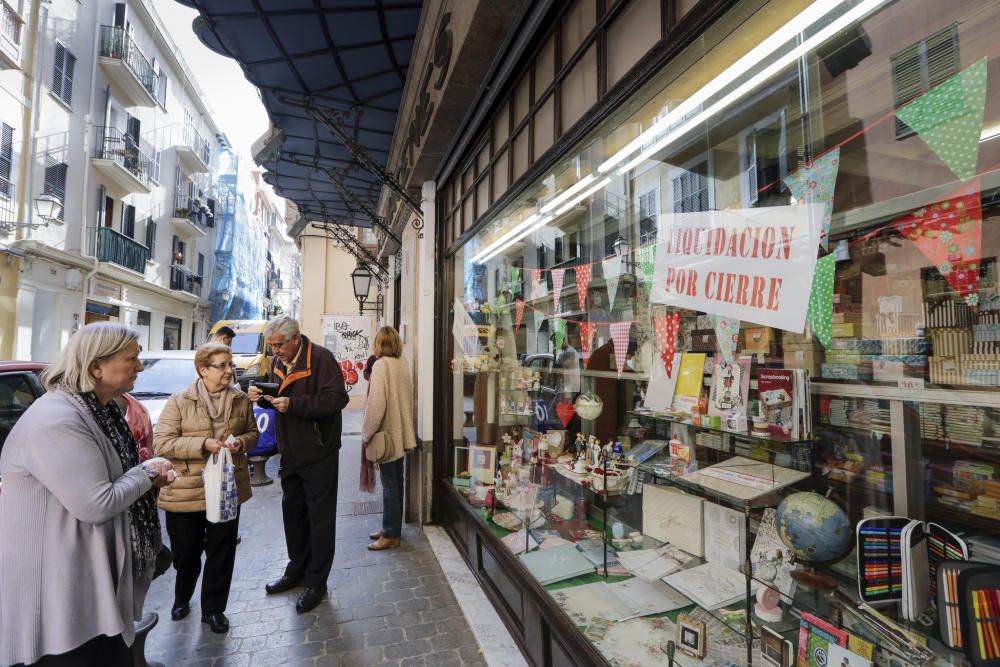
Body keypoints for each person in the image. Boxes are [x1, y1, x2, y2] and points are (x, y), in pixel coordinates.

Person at [0, 322, 174, 667]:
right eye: (132, 359)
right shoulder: (58, 420)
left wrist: (143, 479)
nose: (140, 366)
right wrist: (149, 472)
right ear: (96, 366)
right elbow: (97, 503)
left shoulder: (100, 410)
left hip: (87, 577)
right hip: (59, 589)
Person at [153, 343, 258, 634]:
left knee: (222, 552)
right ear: (203, 370)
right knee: (186, 553)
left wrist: (241, 442)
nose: (229, 370)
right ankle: (182, 596)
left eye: (230, 364)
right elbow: (161, 443)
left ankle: (213, 610)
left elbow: (252, 433)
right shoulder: (179, 401)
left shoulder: (240, 400)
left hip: (225, 488)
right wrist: (203, 444)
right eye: (221, 365)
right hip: (186, 490)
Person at [247, 316, 348, 614]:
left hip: (319, 452)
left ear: (295, 338)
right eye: (272, 346)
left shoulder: (320, 358)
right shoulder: (281, 360)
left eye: (279, 345)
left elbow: (336, 400)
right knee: (293, 515)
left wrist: (295, 406)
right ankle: (296, 570)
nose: (275, 351)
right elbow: (282, 395)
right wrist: (264, 397)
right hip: (290, 452)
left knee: (320, 519)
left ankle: (317, 581)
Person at [361, 326, 417, 550]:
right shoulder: (402, 364)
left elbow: (376, 405)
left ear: (378, 343)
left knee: (390, 485)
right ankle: (391, 527)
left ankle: (391, 533)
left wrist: (366, 433)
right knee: (397, 482)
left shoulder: (381, 366)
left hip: (387, 435)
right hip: (402, 433)